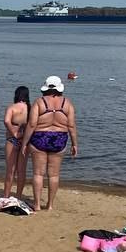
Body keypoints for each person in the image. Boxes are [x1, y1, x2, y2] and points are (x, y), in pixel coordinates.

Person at [20, 75, 78, 212]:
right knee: (54, 175)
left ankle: (37, 205)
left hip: (40, 137)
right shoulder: (67, 103)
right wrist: (74, 144)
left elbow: (32, 124)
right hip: (59, 138)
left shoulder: (39, 102)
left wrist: (24, 143)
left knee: (38, 173)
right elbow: (71, 126)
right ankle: (50, 205)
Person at [2, 86, 30, 199]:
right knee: (21, 171)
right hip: (25, 140)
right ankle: (18, 196)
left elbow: (6, 121)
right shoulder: (30, 108)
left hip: (12, 139)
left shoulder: (12, 107)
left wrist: (13, 132)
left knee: (10, 170)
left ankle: (6, 195)